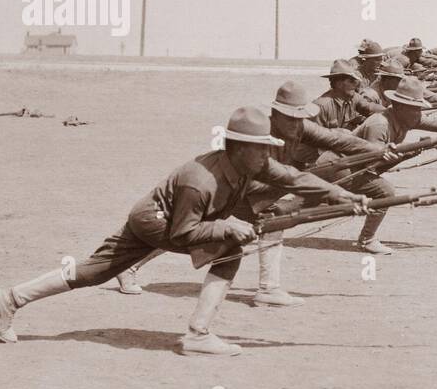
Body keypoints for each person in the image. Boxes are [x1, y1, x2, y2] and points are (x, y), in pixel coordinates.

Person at [0, 107, 367, 356]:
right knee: (227, 249)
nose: (268, 156)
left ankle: (10, 298)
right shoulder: (200, 180)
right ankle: (197, 334)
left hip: (153, 214)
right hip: (157, 220)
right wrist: (228, 227)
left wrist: (344, 196)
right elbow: (185, 234)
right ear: (238, 147)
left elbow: (297, 178)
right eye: (261, 148)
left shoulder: (252, 165)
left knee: (94, 272)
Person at [115, 83, 386, 306]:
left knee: (271, 223)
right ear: (276, 114)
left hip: (265, 190)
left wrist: (379, 151)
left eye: (300, 117)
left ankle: (268, 288)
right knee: (191, 230)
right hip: (239, 190)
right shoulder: (256, 133)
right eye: (291, 117)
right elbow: (258, 175)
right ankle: (129, 266)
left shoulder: (301, 128)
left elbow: (338, 140)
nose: (296, 124)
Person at [332, 77, 437, 254]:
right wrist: (410, 151)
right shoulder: (379, 124)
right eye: (415, 109)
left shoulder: (407, 117)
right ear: (398, 106)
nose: (419, 114)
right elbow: (371, 162)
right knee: (384, 192)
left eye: (419, 109)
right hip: (342, 169)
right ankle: (367, 240)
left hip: (352, 168)